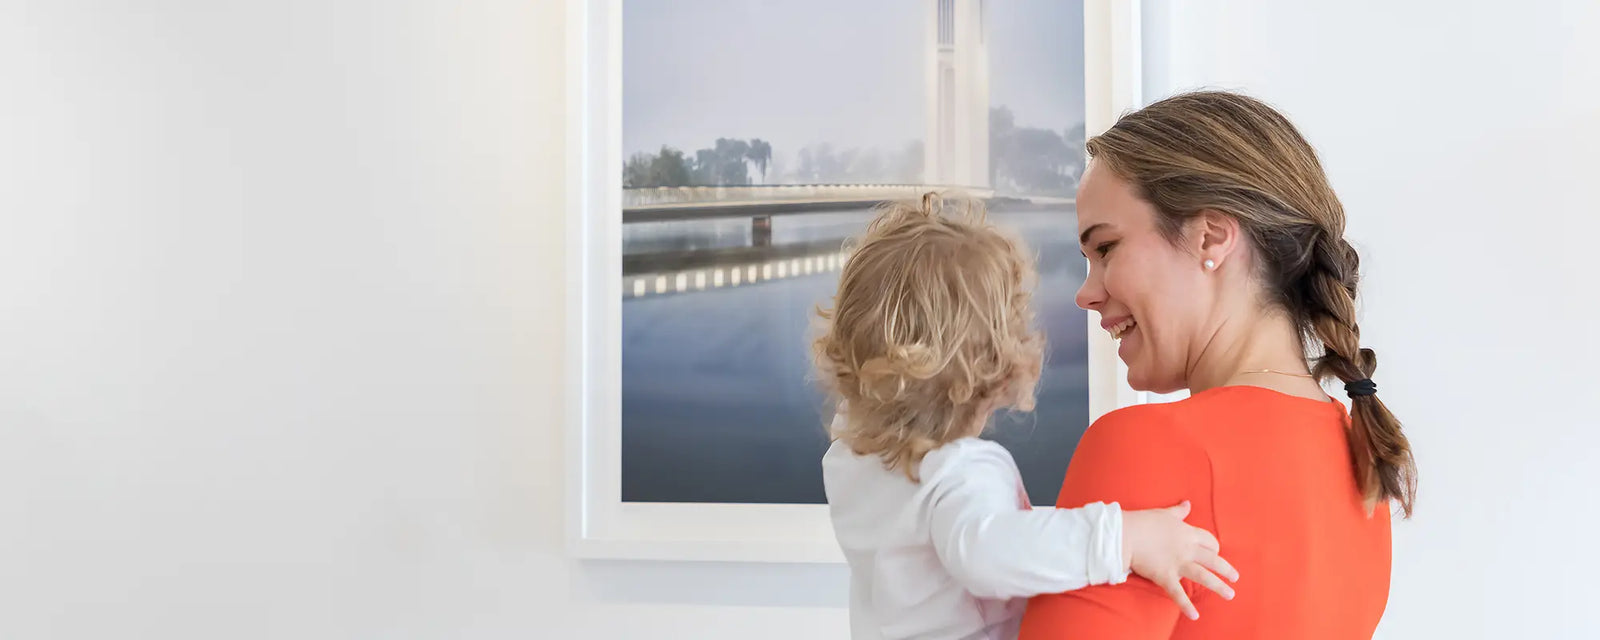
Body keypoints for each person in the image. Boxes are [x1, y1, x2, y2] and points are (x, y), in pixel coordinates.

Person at [1017, 90, 1418, 639]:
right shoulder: (1365, 457)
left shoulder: (1145, 446)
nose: (1087, 293)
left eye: (1106, 249)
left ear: (1211, 237)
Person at [816, 194, 1239, 640]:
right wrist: (1124, 538)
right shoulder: (958, 471)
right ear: (996, 367)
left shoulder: (850, 459)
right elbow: (986, 552)